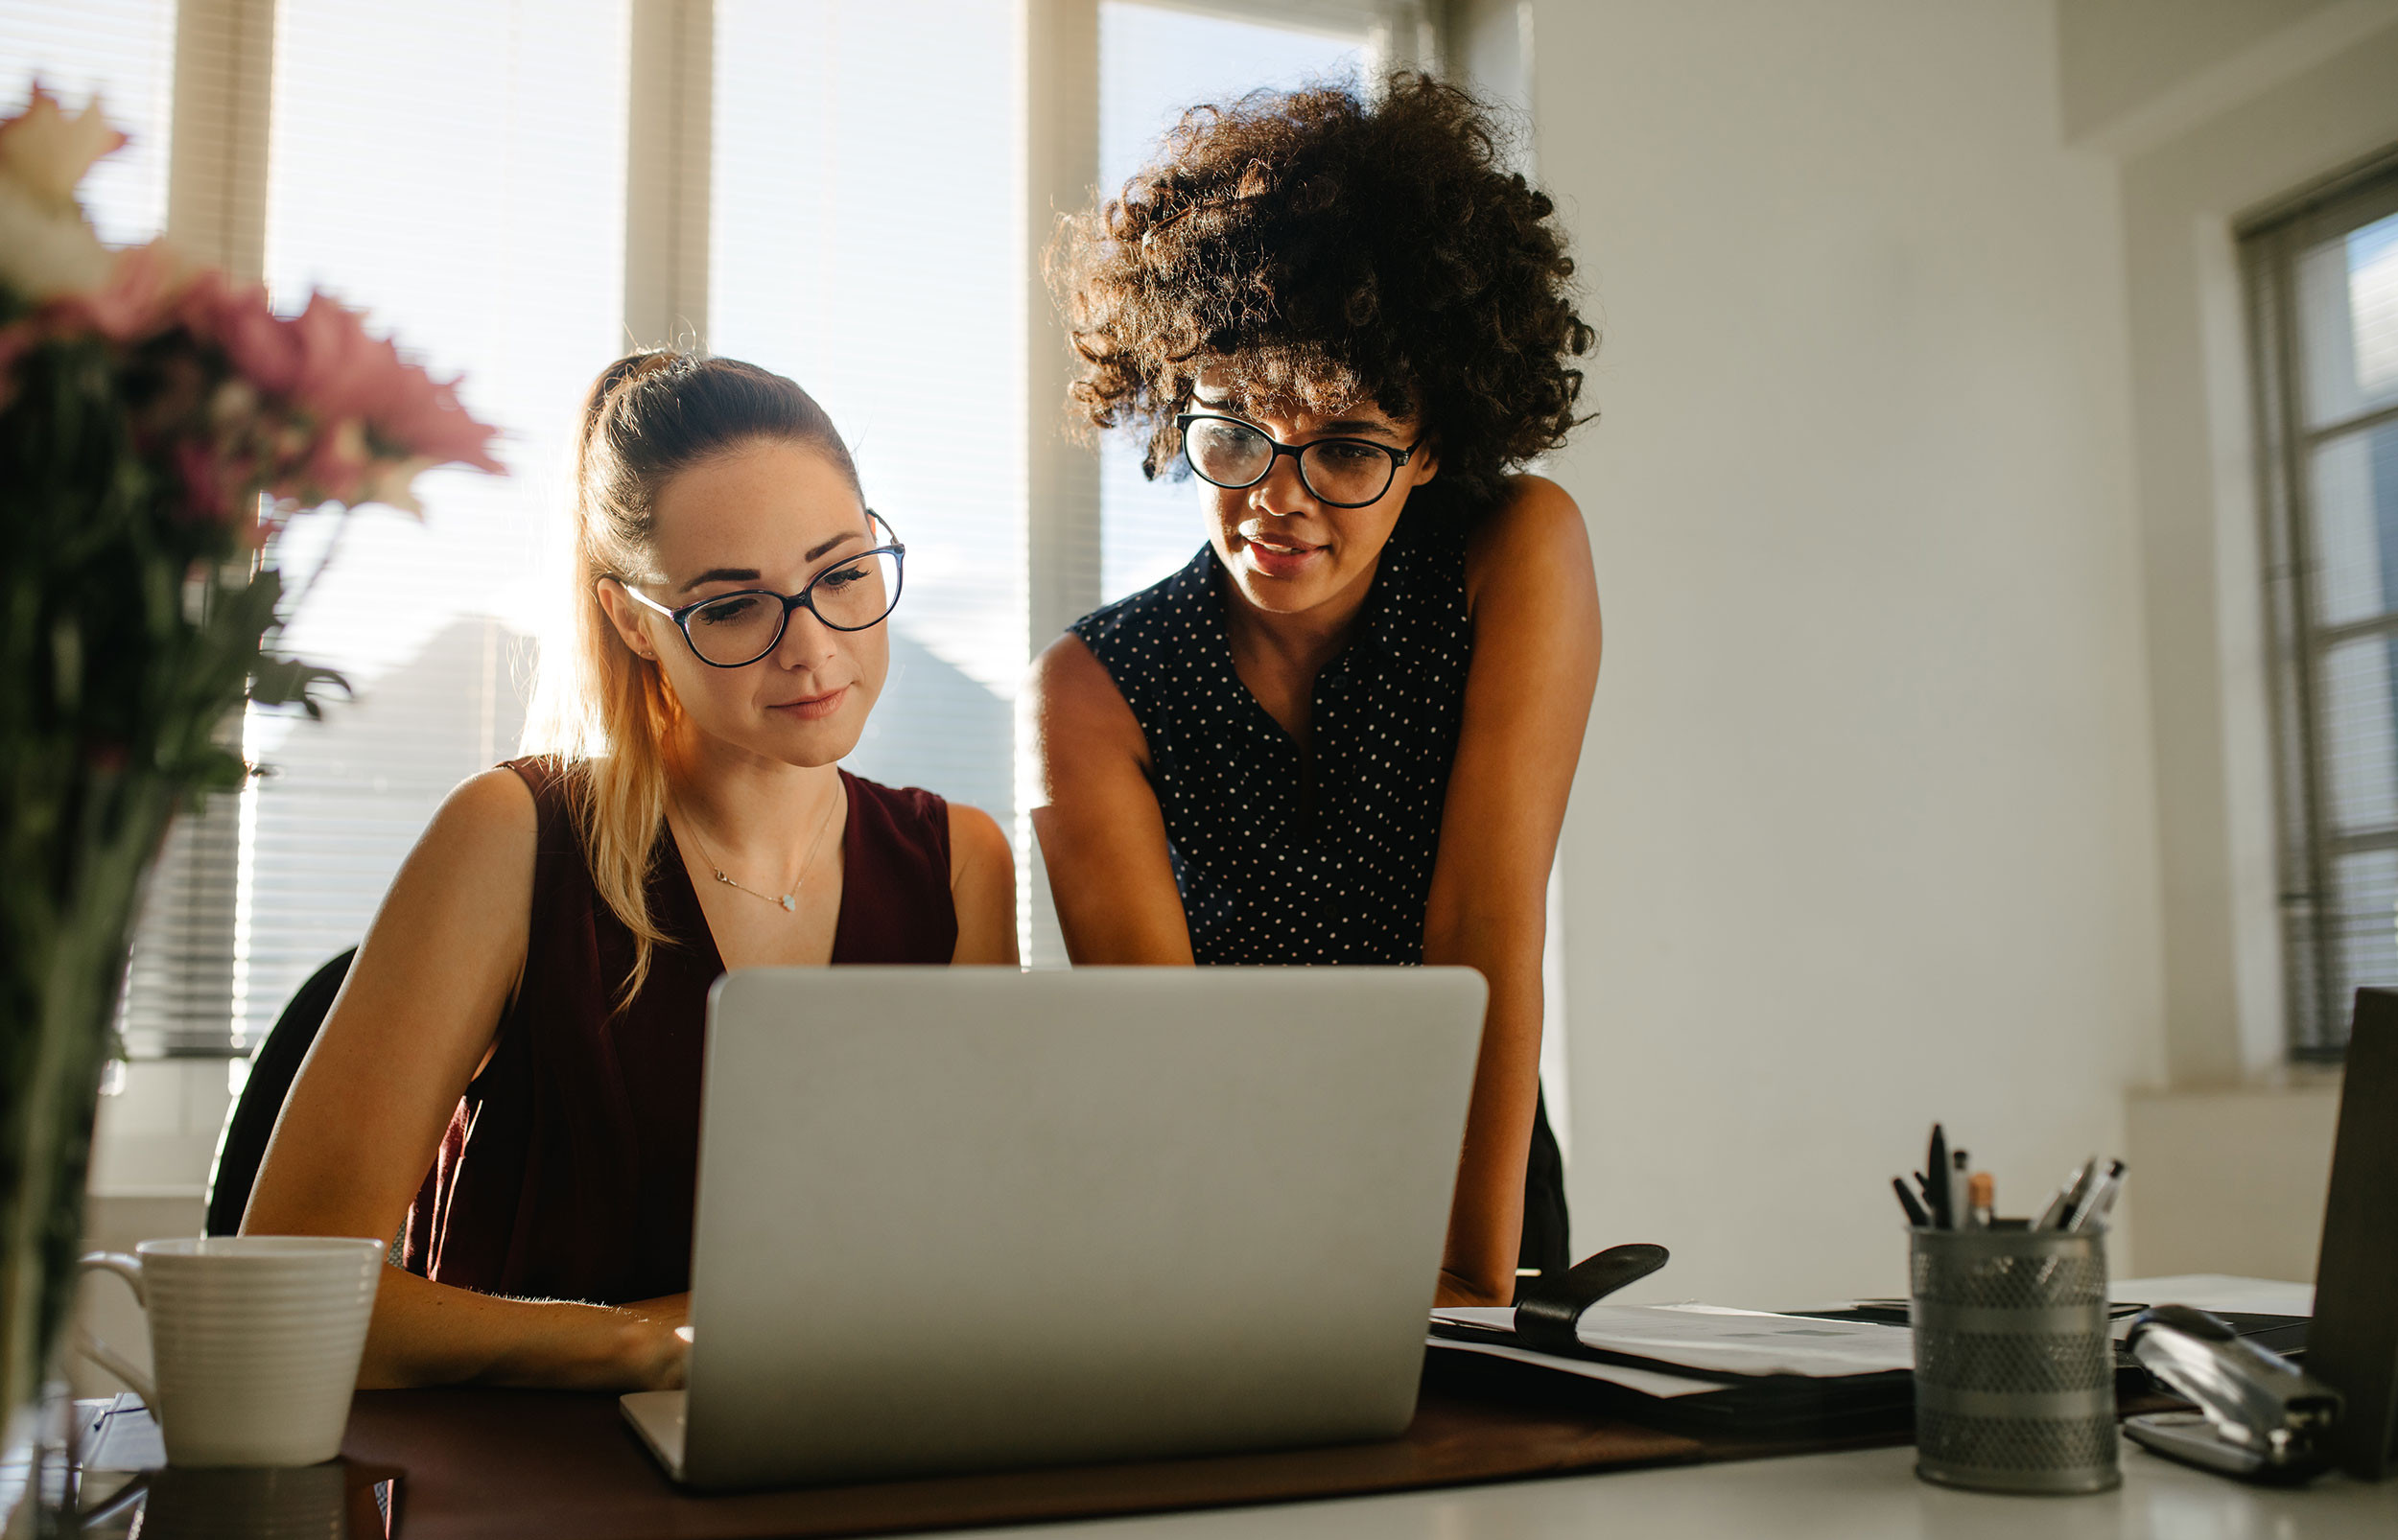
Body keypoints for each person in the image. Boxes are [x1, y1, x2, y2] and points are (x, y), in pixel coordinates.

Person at [245, 353, 1017, 1388]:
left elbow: (968, 1251)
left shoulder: (960, 863)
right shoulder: (511, 834)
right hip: (533, 1492)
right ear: (631, 620)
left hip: (835, 1466)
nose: (814, 648)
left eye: (840, 574)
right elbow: (280, 1293)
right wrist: (644, 1342)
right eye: (733, 606)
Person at [1028, 77, 1599, 1307]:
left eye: (1344, 447)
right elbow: (1163, 1063)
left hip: (1476, 1185)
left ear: (1432, 444)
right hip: (1217, 1203)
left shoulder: (1512, 549)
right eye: (1234, 433)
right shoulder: (1092, 688)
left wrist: (1466, 1278)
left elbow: (1484, 927)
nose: (1276, 498)